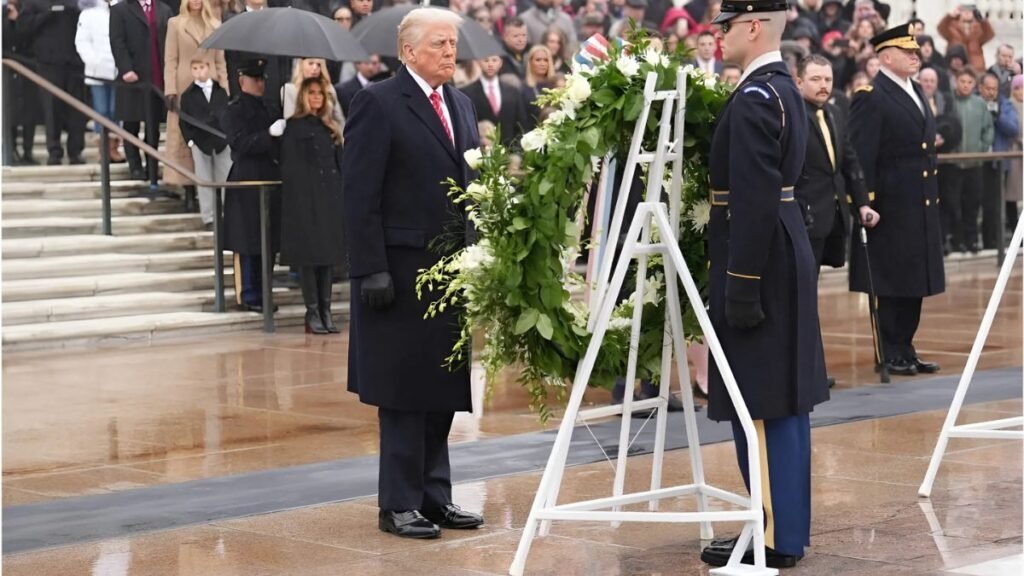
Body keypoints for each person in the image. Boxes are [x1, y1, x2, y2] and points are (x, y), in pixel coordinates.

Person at [343, 7, 484, 540]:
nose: (450, 53)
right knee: (403, 394)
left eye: (452, 44)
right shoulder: (376, 102)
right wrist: (370, 269)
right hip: (399, 273)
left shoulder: (463, 104)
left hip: (452, 272)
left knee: (441, 390)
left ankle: (434, 495)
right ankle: (398, 503)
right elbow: (359, 195)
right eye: (440, 45)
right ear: (409, 52)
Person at [699, 1, 824, 570]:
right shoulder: (782, 89)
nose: (718, 36)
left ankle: (771, 536)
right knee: (784, 399)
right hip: (784, 246)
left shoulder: (754, 98)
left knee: (764, 402)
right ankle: (782, 529)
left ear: (753, 26)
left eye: (725, 26)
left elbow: (749, 200)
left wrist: (741, 284)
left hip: (758, 258)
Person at [848, 23, 945, 376]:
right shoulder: (871, 96)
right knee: (890, 281)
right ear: (886, 56)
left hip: (917, 203)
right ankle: (889, 350)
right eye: (908, 52)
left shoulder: (916, 90)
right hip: (888, 205)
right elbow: (860, 154)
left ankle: (906, 345)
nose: (915, 56)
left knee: (914, 280)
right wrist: (864, 201)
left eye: (915, 51)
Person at [280, 76, 346, 335]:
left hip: (329, 200)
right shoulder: (294, 127)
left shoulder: (329, 127)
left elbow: (338, 165)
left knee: (328, 260)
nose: (316, 97)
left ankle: (326, 309)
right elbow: (292, 168)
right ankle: (313, 311)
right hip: (306, 203)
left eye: (320, 93)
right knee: (310, 259)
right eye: (312, 93)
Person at [221, 58, 284, 312]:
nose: (259, 84)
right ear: (241, 80)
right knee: (247, 240)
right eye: (254, 79)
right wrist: (268, 136)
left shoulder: (269, 107)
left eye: (261, 79)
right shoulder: (234, 109)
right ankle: (248, 293)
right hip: (246, 179)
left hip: (270, 175)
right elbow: (240, 144)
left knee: (267, 239)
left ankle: (264, 291)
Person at [163, 0, 228, 189]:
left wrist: (225, 90)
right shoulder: (175, 24)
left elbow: (220, 62)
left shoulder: (215, 25)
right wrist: (170, 90)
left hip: (211, 88)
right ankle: (187, 187)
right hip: (184, 87)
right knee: (183, 139)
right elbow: (171, 59)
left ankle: (214, 187)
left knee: (211, 135)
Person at [110, 0, 173, 180]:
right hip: (133, 79)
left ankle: (152, 168)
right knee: (131, 124)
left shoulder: (164, 9)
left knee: (153, 127)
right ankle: (135, 165)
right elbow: (117, 42)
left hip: (156, 79)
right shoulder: (120, 9)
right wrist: (126, 69)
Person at [19, 0, 86, 165]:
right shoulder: (33, 3)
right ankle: (54, 151)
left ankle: (75, 151)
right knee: (51, 108)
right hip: (48, 63)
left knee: (77, 110)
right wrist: (48, 14)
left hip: (74, 62)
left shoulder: (74, 2)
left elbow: (86, 19)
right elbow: (24, 28)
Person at [179, 56, 231, 230]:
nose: (199, 71)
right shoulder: (187, 95)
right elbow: (184, 120)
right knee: (204, 179)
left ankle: (228, 213)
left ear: (208, 68)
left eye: (201, 67)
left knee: (226, 178)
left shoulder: (220, 91)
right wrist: (191, 141)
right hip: (201, 142)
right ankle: (209, 216)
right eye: (195, 68)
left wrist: (227, 135)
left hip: (221, 140)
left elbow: (227, 114)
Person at [945, 68, 993, 254]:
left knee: (972, 204)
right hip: (954, 164)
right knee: (954, 204)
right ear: (956, 82)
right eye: (962, 81)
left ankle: (972, 240)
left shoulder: (980, 104)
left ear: (974, 85)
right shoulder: (950, 102)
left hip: (975, 164)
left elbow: (988, 128)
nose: (965, 85)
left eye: (969, 82)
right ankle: (958, 241)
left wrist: (982, 147)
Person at [75, 0, 124, 163]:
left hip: (118, 70)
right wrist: (93, 61)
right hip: (97, 71)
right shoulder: (88, 14)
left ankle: (114, 147)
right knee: (101, 111)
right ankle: (103, 149)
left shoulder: (120, 10)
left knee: (116, 111)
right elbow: (82, 41)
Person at [979, 71, 1019, 250]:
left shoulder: (1005, 104)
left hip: (997, 161)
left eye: (994, 89)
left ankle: (994, 242)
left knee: (995, 204)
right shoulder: (975, 101)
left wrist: (997, 116)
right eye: (987, 88)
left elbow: (1013, 129)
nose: (990, 92)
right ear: (980, 88)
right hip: (976, 160)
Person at [463, 54, 531, 147]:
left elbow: (521, 125)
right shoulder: (466, 93)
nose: (490, 64)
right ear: (479, 62)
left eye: (494, 60)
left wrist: (517, 151)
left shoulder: (513, 91)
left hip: (511, 153)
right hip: (481, 155)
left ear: (501, 63)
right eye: (486, 60)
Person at [281, 58, 344, 131]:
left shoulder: (329, 88)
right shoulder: (290, 89)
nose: (315, 68)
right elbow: (289, 121)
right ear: (301, 65)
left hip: (328, 135)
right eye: (310, 63)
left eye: (318, 65)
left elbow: (340, 120)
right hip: (301, 135)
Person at [937, 5, 994, 74]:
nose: (967, 13)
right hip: (955, 67)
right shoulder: (952, 27)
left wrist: (982, 21)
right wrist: (949, 17)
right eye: (964, 11)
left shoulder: (979, 27)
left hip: (976, 68)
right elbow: (941, 28)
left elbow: (989, 34)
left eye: (970, 11)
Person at [1007, 75, 1023, 231]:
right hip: (1014, 153)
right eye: (1018, 88)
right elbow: (1014, 130)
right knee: (1013, 193)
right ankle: (1015, 229)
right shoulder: (1009, 105)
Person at [500, 16, 530, 84]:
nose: (521, 40)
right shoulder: (499, 57)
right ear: (505, 37)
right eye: (516, 36)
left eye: (524, 35)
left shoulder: (532, 51)